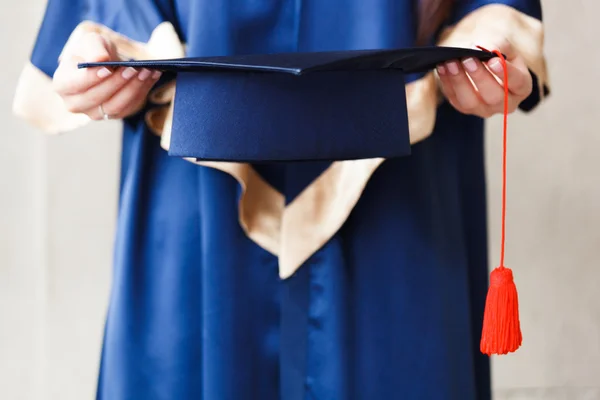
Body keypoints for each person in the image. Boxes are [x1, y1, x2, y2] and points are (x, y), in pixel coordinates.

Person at [13, 0, 549, 398]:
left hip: (399, 158)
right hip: (196, 161)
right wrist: (111, 44)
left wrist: (491, 37)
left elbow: (493, 17)